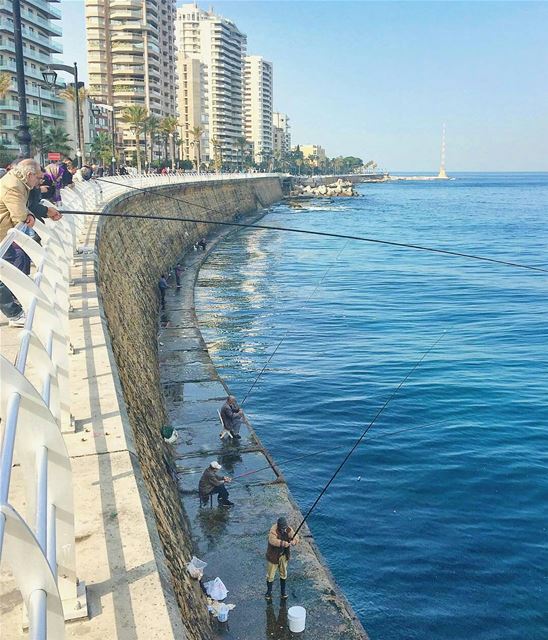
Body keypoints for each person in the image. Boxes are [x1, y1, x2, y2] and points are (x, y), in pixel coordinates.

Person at [0, 160, 40, 325]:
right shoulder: (14, 186)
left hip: (4, 236)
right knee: (3, 274)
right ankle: (13, 314)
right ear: (30, 175)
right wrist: (28, 217)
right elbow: (19, 216)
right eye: (38, 177)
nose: (38, 181)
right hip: (2, 236)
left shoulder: (15, 181)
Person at [265, 516, 299, 601]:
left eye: (285, 528)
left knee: (283, 573)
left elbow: (296, 536)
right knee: (270, 575)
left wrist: (294, 541)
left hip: (283, 556)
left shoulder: (288, 529)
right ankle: (269, 592)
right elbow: (272, 541)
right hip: (273, 557)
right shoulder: (273, 530)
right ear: (279, 526)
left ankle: (283, 592)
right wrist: (283, 543)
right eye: (282, 528)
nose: (284, 530)